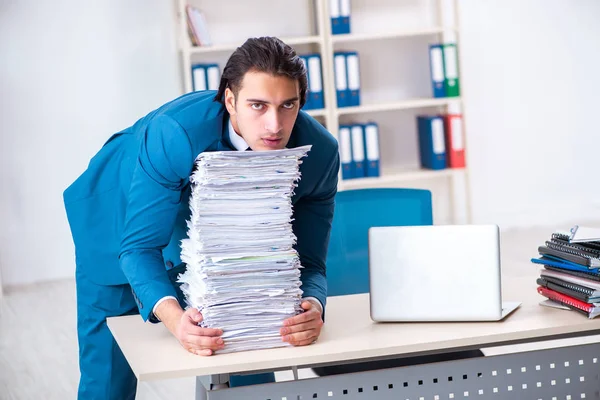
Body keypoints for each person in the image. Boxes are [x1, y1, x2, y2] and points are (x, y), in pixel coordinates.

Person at [63, 36, 340, 400]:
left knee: (248, 356)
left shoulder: (319, 154)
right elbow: (140, 247)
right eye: (257, 105)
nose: (274, 125)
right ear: (230, 100)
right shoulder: (175, 133)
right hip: (116, 219)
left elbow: (309, 262)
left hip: (219, 241)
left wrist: (313, 306)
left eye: (287, 105)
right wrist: (176, 321)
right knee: (109, 377)